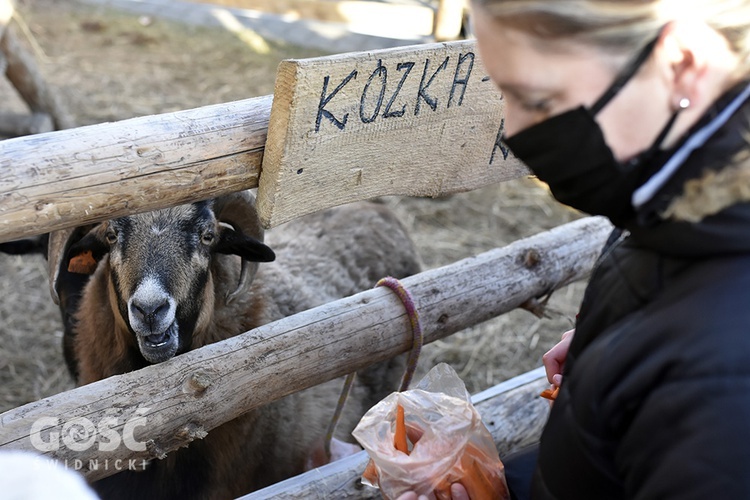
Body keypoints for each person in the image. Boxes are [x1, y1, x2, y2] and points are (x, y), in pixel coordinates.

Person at [400, 0, 750, 498]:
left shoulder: (723, 379)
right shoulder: (667, 220)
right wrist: (612, 354)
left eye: (538, 101)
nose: (516, 131)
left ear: (682, 63)